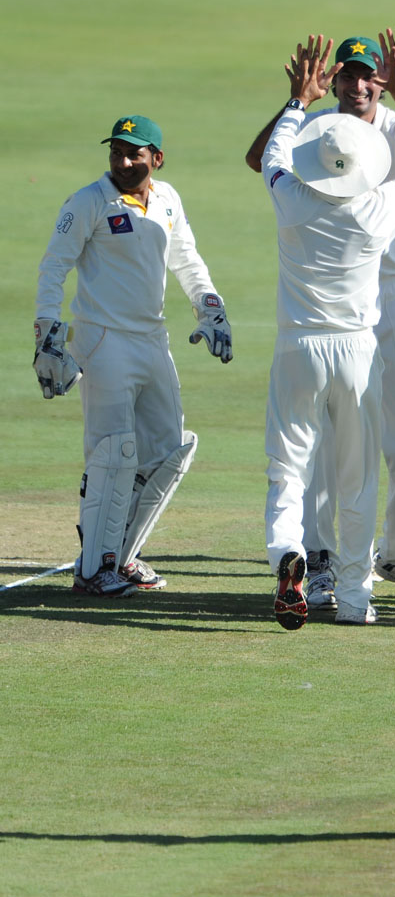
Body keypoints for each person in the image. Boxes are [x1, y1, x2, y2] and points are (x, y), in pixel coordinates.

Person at [246, 31, 395, 601]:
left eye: (368, 76)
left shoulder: (298, 174)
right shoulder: (342, 163)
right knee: (336, 454)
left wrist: (295, 100)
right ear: (334, 79)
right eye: (349, 75)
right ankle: (328, 565)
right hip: (355, 323)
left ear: (380, 80)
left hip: (370, 308)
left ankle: (389, 552)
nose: (358, 85)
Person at [34, 115, 232, 597]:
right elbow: (53, 266)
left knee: (168, 451)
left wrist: (210, 307)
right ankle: (93, 568)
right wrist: (47, 334)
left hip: (152, 340)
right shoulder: (88, 202)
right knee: (112, 452)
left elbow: (186, 257)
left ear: (156, 158)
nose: (123, 162)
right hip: (103, 341)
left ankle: (119, 557)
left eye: (135, 154)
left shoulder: (167, 199)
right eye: (117, 153)